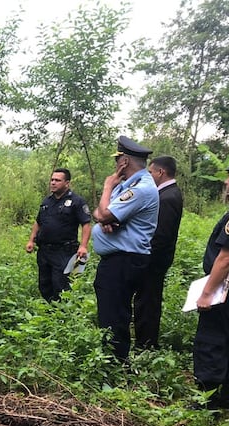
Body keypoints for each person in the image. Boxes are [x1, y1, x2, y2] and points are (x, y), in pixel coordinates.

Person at [91, 136, 159, 362]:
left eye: (118, 159)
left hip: (124, 260)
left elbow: (103, 213)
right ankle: (113, 360)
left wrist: (107, 186)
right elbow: (99, 213)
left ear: (125, 161)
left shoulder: (141, 189)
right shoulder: (129, 186)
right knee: (110, 311)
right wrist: (104, 217)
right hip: (119, 259)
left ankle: (116, 365)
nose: (115, 164)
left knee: (115, 315)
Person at [133, 156, 184, 349]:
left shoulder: (168, 197)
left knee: (147, 302)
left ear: (160, 172)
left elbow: (161, 235)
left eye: (151, 172)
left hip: (154, 260)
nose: (149, 176)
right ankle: (145, 340)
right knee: (146, 300)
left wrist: (146, 257)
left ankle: (146, 344)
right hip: (154, 259)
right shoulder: (167, 194)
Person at [193, 166, 229, 409]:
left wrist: (207, 293)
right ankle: (226, 395)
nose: (227, 182)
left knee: (212, 340)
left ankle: (209, 398)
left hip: (225, 290)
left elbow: (226, 258)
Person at [25, 168, 92, 302]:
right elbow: (38, 222)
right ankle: (49, 312)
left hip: (64, 251)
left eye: (57, 180)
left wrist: (83, 246)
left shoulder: (76, 201)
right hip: (44, 251)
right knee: (44, 284)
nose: (53, 183)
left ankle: (61, 316)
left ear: (67, 183)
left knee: (60, 284)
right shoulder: (47, 201)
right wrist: (31, 240)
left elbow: (86, 224)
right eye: (52, 180)